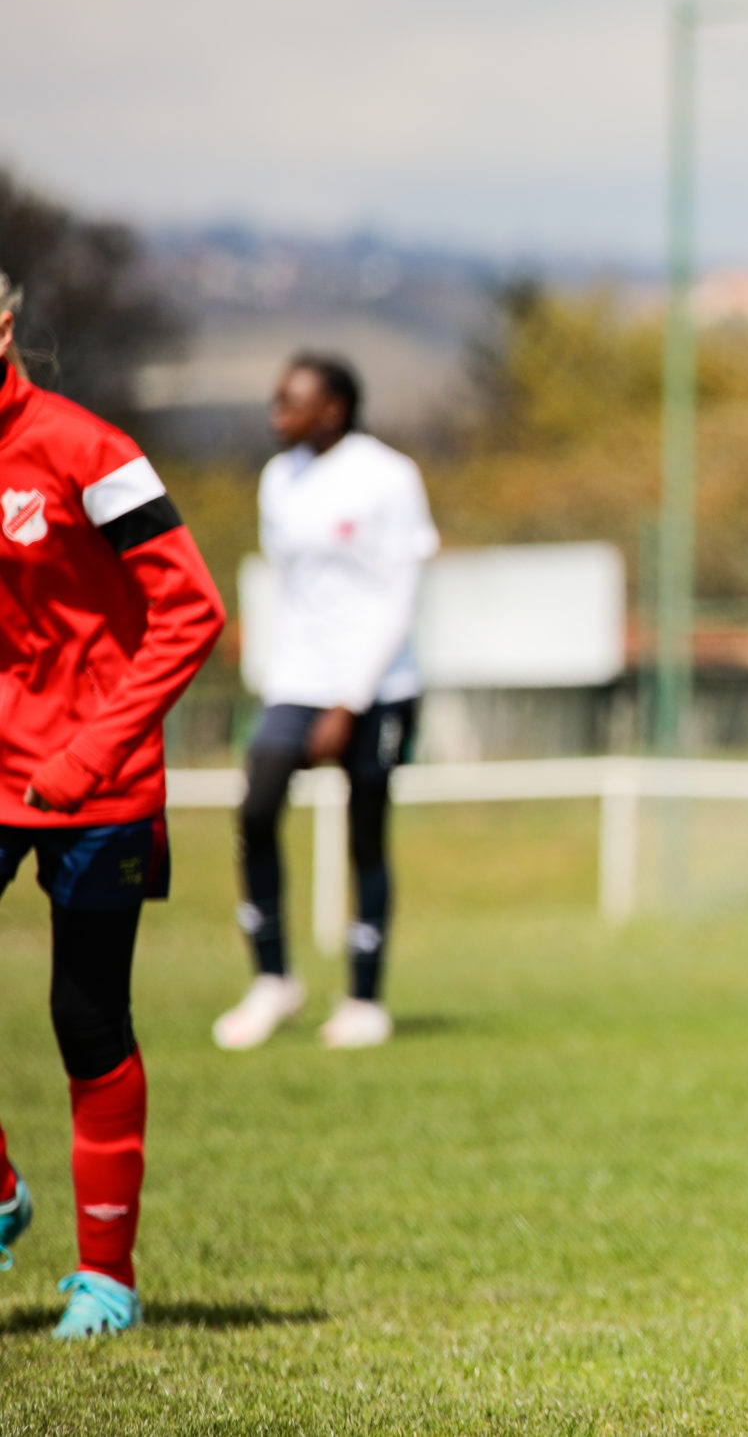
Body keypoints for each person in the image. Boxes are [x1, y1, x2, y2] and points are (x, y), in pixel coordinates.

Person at [0, 278, 227, 1338]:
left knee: (85, 1020)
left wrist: (95, 749)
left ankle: (107, 1280)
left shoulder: (88, 451)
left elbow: (193, 610)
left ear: (1, 326)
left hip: (100, 782)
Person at [214, 353, 438, 1052]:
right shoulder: (278, 478)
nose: (277, 413)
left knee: (366, 831)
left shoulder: (388, 474)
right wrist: (284, 675)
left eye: (292, 401)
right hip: (298, 679)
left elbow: (401, 593)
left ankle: (365, 996)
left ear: (333, 408)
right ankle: (274, 977)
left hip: (380, 683)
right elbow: (289, 589)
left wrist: (351, 698)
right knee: (257, 804)